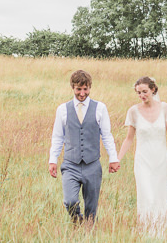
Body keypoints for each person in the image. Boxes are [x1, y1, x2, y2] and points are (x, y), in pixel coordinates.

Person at [48, 70, 120, 224]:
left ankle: (89, 232)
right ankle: (77, 220)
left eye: (85, 89)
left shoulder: (100, 108)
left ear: (90, 88)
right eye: (78, 89)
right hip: (70, 164)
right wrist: (53, 160)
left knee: (91, 208)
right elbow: (58, 137)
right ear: (72, 88)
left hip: (92, 165)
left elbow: (106, 135)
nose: (82, 93)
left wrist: (113, 158)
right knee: (70, 201)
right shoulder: (62, 109)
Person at [117, 76, 167, 236]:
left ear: (153, 89)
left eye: (144, 91)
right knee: (146, 194)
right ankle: (146, 230)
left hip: (160, 160)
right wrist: (117, 159)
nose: (142, 95)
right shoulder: (133, 111)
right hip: (143, 161)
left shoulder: (165, 108)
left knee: (159, 195)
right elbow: (129, 139)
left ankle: (160, 231)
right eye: (138, 93)